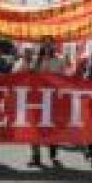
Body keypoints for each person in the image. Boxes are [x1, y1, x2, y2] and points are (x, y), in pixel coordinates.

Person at [28, 37, 63, 167]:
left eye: (50, 44)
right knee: (34, 128)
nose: (47, 46)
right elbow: (28, 75)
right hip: (36, 99)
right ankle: (35, 155)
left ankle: (53, 155)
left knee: (52, 127)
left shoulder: (59, 61)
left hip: (53, 99)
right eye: (45, 43)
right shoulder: (36, 60)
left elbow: (63, 79)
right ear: (42, 45)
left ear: (53, 46)